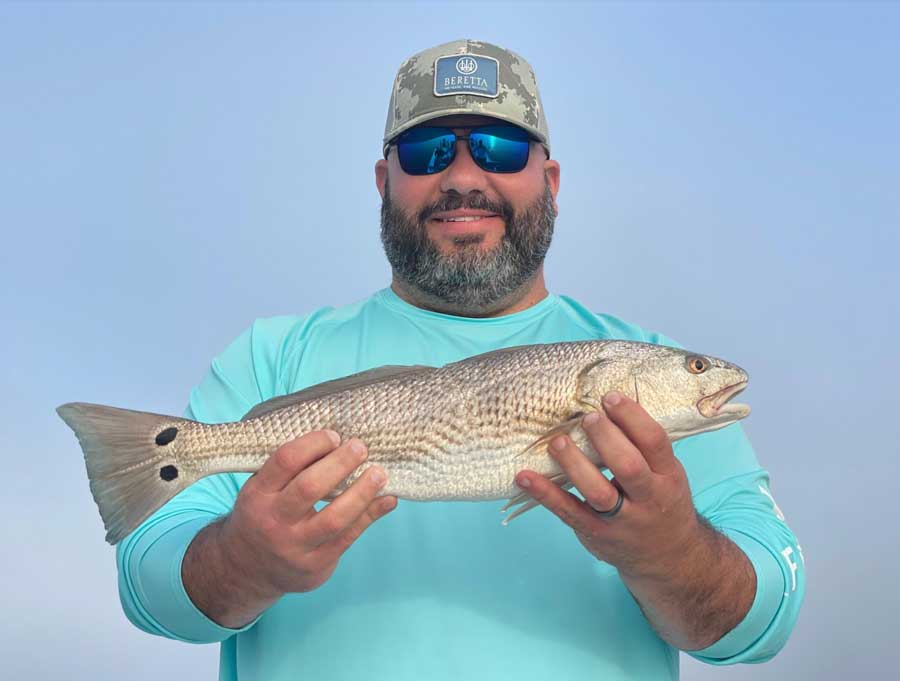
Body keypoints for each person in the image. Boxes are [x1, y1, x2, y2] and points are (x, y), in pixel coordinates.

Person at [116, 40, 805, 681]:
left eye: (502, 148)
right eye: (427, 150)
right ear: (385, 180)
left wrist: (673, 550)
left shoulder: (651, 387)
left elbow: (767, 619)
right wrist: (242, 559)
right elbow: (146, 582)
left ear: (552, 179)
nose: (465, 176)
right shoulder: (270, 357)